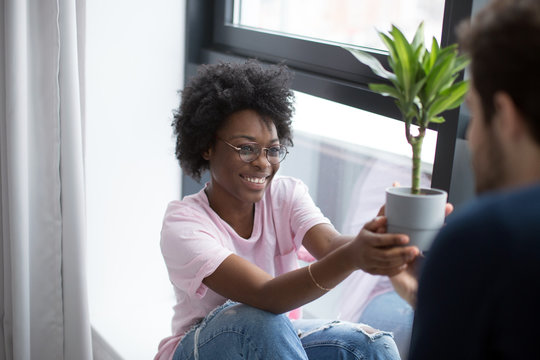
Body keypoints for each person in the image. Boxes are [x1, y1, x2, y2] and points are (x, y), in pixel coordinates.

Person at [154, 60, 419, 360]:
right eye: (246, 148)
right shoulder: (183, 224)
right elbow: (266, 295)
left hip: (275, 342)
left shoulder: (286, 194)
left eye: (274, 149)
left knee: (370, 346)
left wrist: (380, 234)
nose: (263, 163)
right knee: (257, 320)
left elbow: (330, 246)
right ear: (207, 147)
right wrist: (354, 254)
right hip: (207, 348)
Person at [389, 0, 540, 358]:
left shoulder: (485, 238)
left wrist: (452, 272)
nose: (472, 139)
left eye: (473, 111)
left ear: (504, 114)